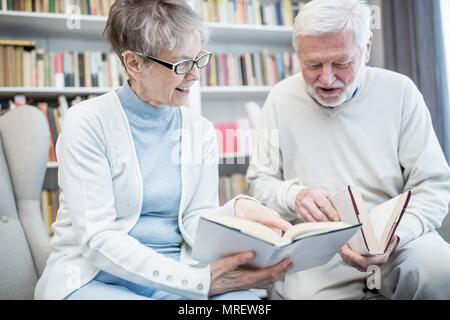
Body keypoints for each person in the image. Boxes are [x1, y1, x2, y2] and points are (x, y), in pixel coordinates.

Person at [34, 0, 293, 300]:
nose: (195, 75)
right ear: (134, 63)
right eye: (181, 64)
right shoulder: (87, 122)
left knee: (247, 304)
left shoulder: (200, 130)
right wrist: (197, 281)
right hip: (96, 278)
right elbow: (98, 238)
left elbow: (196, 218)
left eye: (198, 60)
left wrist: (234, 212)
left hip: (176, 274)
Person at [247, 0, 450, 300]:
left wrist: (394, 236)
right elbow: (258, 183)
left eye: (341, 63)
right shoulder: (279, 98)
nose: (327, 79)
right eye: (313, 65)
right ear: (298, 54)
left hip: (399, 241)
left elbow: (433, 186)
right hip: (319, 249)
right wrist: (294, 195)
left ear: (366, 48)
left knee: (441, 271)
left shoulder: (401, 92)